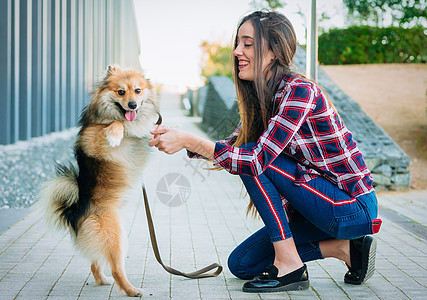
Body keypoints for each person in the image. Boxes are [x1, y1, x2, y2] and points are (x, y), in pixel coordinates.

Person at [149, 10, 381, 293]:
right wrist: (181, 138)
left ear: (273, 51)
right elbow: (231, 148)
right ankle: (346, 249)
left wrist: (191, 141)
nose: (236, 51)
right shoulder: (265, 98)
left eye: (247, 44)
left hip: (352, 207)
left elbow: (255, 159)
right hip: (317, 208)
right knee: (242, 264)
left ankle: (290, 265)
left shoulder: (300, 91)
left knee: (254, 160)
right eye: (238, 43)